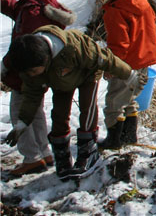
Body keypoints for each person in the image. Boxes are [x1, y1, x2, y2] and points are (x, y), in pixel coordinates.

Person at [4, 26, 135, 180]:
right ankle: (62, 158)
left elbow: (104, 58)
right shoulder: (29, 66)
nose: (30, 75)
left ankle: (87, 154)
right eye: (28, 73)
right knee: (59, 115)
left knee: (87, 110)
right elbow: (31, 97)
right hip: (60, 81)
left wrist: (129, 75)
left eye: (33, 71)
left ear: (46, 59)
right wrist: (22, 124)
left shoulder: (73, 46)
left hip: (88, 75)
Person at [1, 0, 75, 176]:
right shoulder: (43, 3)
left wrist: (5, 67)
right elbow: (18, 8)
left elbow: (25, 48)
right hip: (39, 73)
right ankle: (43, 152)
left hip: (25, 73)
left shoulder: (32, 11)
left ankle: (31, 157)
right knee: (36, 113)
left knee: (20, 113)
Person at [94, 0, 156, 150]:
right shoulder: (139, 1)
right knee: (130, 99)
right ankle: (129, 136)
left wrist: (111, 67)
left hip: (125, 65)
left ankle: (114, 141)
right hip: (143, 61)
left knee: (115, 102)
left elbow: (119, 44)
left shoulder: (115, 10)